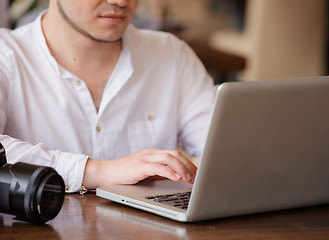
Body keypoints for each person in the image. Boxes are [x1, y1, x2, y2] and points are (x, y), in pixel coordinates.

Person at [0, 0, 217, 193]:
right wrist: (100, 172)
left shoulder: (170, 54)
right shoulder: (6, 55)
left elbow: (224, 148)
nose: (121, 2)